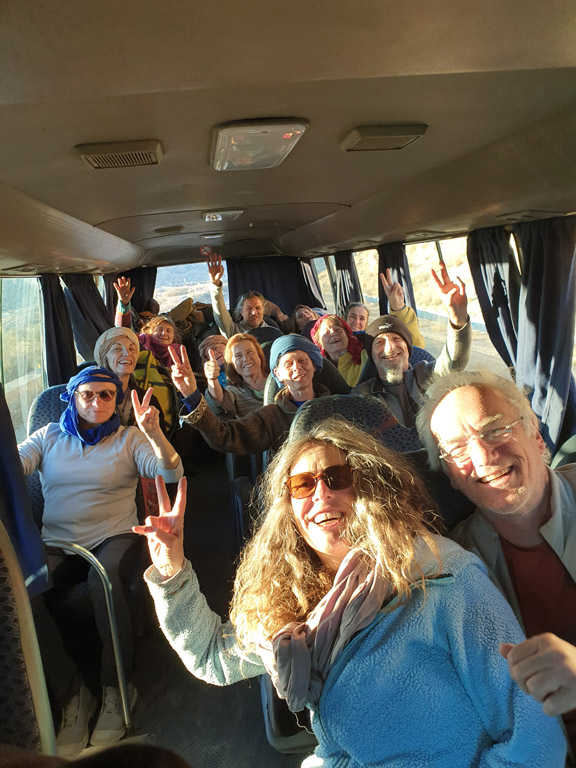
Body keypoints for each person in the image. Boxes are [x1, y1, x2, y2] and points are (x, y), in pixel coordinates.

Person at [136, 420, 566, 767]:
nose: (321, 493)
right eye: (302, 485)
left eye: (337, 477)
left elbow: (536, 735)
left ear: (368, 488)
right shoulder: (290, 605)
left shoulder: (441, 576)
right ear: (289, 508)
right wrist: (172, 571)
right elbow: (213, 658)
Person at [20, 367, 183, 757]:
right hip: (58, 543)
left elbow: (170, 471)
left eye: (106, 395)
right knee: (21, 594)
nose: (97, 401)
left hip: (113, 536)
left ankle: (116, 687)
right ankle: (73, 694)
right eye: (88, 394)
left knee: (104, 581)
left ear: (116, 400)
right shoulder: (48, 436)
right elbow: (16, 464)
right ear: (73, 398)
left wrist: (154, 433)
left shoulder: (129, 439)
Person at [416, 368, 576, 744]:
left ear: (536, 436)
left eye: (494, 430)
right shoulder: (449, 568)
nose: (483, 454)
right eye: (457, 448)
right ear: (450, 477)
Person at [354, 263, 470, 430]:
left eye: (396, 339)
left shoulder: (426, 375)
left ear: (408, 349)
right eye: (379, 342)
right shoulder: (360, 395)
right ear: (371, 355)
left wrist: (458, 320)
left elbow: (454, 360)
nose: (390, 348)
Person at [170, 335, 328, 455]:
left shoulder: (334, 403)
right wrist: (192, 394)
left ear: (314, 366)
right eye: (288, 364)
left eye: (303, 361)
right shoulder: (271, 416)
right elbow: (224, 435)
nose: (297, 368)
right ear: (278, 374)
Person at [114, 277, 180, 437]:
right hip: (136, 398)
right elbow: (123, 332)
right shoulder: (141, 343)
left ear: (174, 336)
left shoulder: (178, 353)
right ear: (149, 331)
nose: (164, 333)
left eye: (168, 331)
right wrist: (124, 305)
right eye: (159, 329)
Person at [206, 252, 288, 337]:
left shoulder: (274, 333)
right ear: (241, 312)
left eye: (258, 308)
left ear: (263, 310)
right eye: (249, 308)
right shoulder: (233, 330)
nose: (254, 312)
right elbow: (221, 315)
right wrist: (215, 284)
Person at [204, 333, 269, 419]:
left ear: (259, 355)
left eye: (249, 352)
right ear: (232, 365)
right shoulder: (234, 391)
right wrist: (212, 379)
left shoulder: (277, 379)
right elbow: (220, 405)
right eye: (238, 356)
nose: (245, 358)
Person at [311, 314, 368, 387]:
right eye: (326, 332)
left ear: (347, 336)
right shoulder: (318, 373)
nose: (333, 333)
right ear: (320, 344)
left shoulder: (367, 357)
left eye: (337, 329)